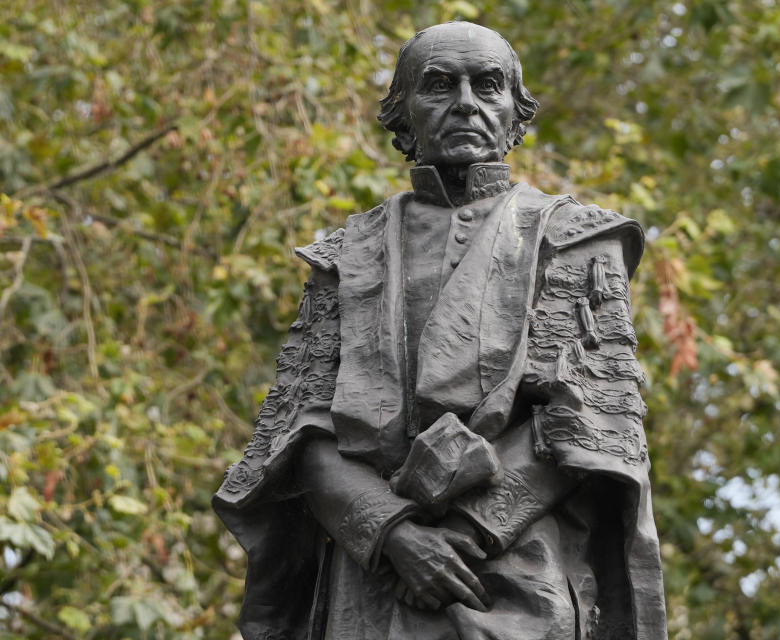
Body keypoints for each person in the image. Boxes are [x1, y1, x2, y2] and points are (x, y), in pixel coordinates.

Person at [213, 21, 667, 640]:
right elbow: (302, 435)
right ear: (403, 115)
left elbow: (587, 424)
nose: (465, 104)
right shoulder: (345, 254)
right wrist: (393, 534)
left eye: (487, 86)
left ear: (515, 113)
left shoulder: (576, 237)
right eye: (437, 86)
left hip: (517, 581)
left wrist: (462, 535)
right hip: (368, 583)